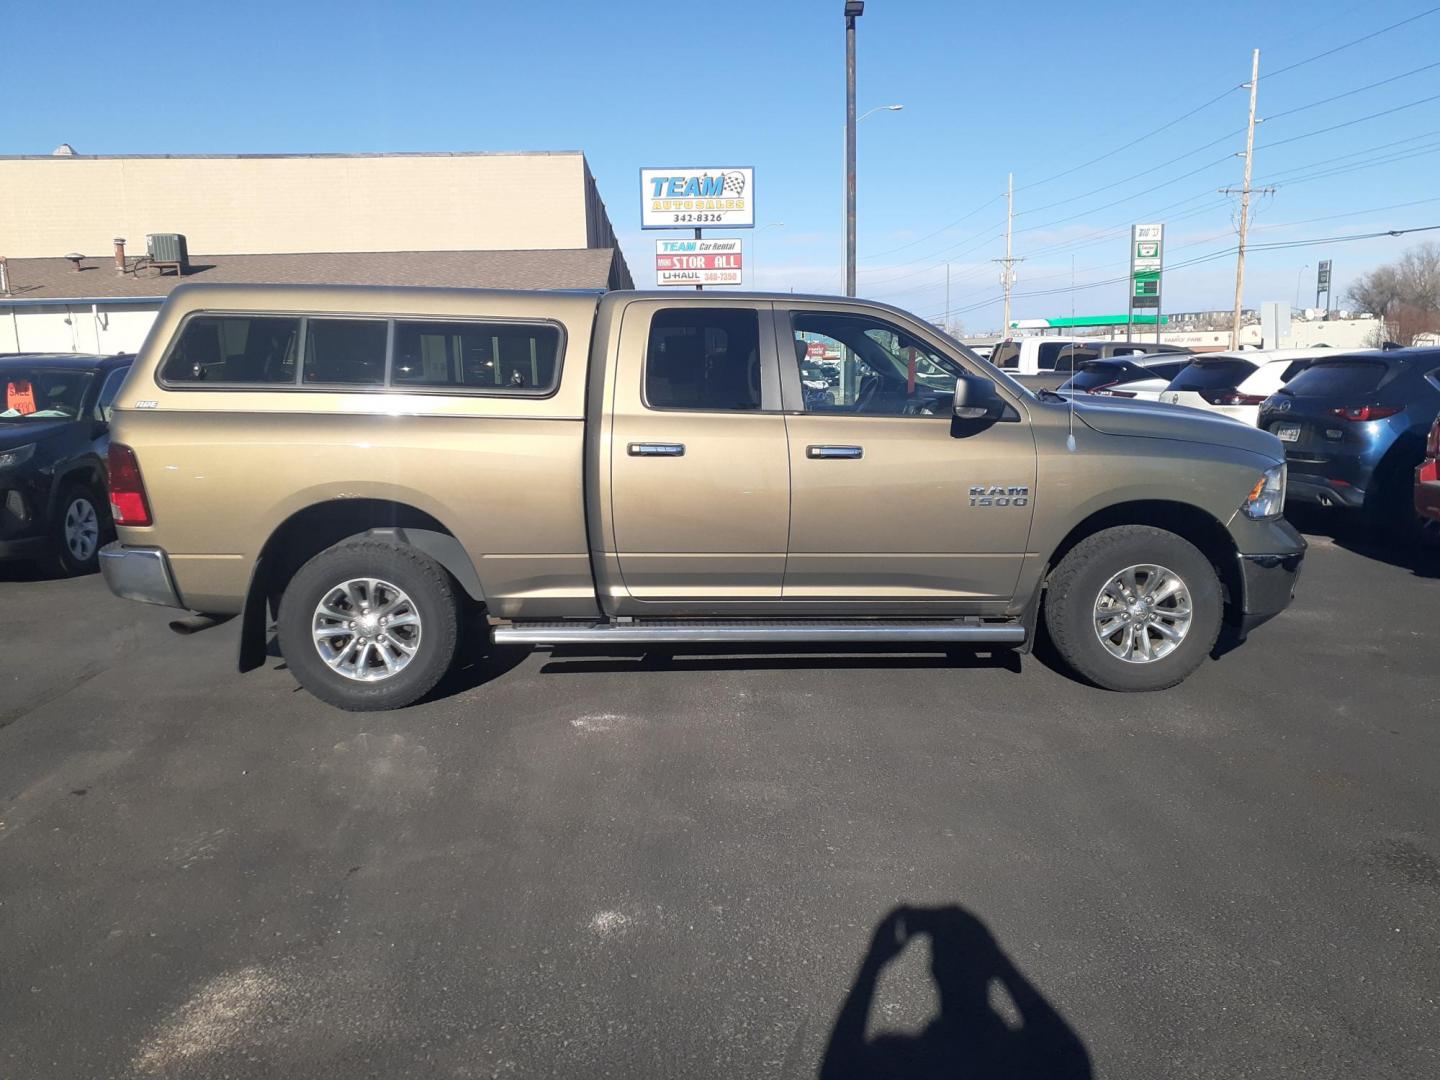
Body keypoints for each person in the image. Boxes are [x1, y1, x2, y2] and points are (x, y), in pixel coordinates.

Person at [820, 905, 1092, 1080]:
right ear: (989, 967)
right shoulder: (1025, 1063)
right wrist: (1002, 965)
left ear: (933, 972)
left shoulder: (904, 1063)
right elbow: (1071, 1059)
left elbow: (837, 1069)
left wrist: (872, 965)